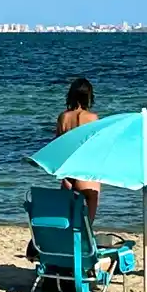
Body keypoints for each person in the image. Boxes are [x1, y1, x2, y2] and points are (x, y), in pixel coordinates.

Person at [53, 77, 102, 219]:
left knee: (69, 216)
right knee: (92, 201)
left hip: (67, 174)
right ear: (88, 96)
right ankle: (87, 234)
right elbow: (96, 147)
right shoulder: (92, 117)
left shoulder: (63, 117)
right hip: (85, 173)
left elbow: (57, 146)